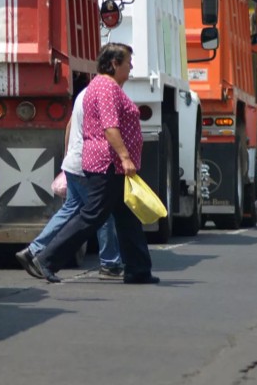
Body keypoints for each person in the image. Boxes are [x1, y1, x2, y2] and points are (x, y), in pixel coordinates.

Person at [23, 43, 158, 284]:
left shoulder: (103, 85)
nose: (131, 67)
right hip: (108, 164)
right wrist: (125, 157)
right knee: (92, 216)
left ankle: (139, 270)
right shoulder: (106, 87)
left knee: (127, 217)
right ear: (114, 63)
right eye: (128, 62)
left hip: (111, 164)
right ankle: (46, 260)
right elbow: (110, 127)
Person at [15, 88, 123, 279]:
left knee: (70, 210)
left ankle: (33, 250)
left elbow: (69, 126)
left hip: (74, 163)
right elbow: (109, 130)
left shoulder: (84, 94)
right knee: (103, 214)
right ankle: (110, 263)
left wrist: (67, 158)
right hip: (87, 165)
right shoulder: (102, 94)